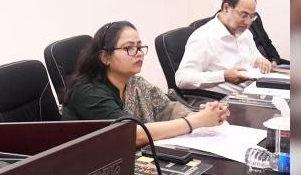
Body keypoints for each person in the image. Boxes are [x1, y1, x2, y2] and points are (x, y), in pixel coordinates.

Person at [61, 21, 229, 147]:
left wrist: (203, 114)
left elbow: (166, 109)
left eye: (140, 47)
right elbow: (131, 134)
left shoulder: (135, 83)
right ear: (105, 57)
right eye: (129, 48)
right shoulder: (88, 92)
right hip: (87, 169)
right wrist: (196, 121)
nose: (139, 53)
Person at [176, 0, 272, 95]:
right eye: (244, 15)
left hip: (252, 91)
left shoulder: (244, 32)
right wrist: (223, 76)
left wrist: (260, 60)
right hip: (221, 100)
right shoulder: (203, 37)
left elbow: (254, 56)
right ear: (226, 8)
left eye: (252, 16)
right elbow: (181, 79)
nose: (248, 22)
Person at [193, 0, 287, 64]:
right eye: (244, 15)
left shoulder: (247, 32)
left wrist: (270, 61)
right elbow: (187, 73)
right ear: (226, 6)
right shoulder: (204, 35)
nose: (248, 22)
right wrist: (224, 74)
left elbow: (266, 45)